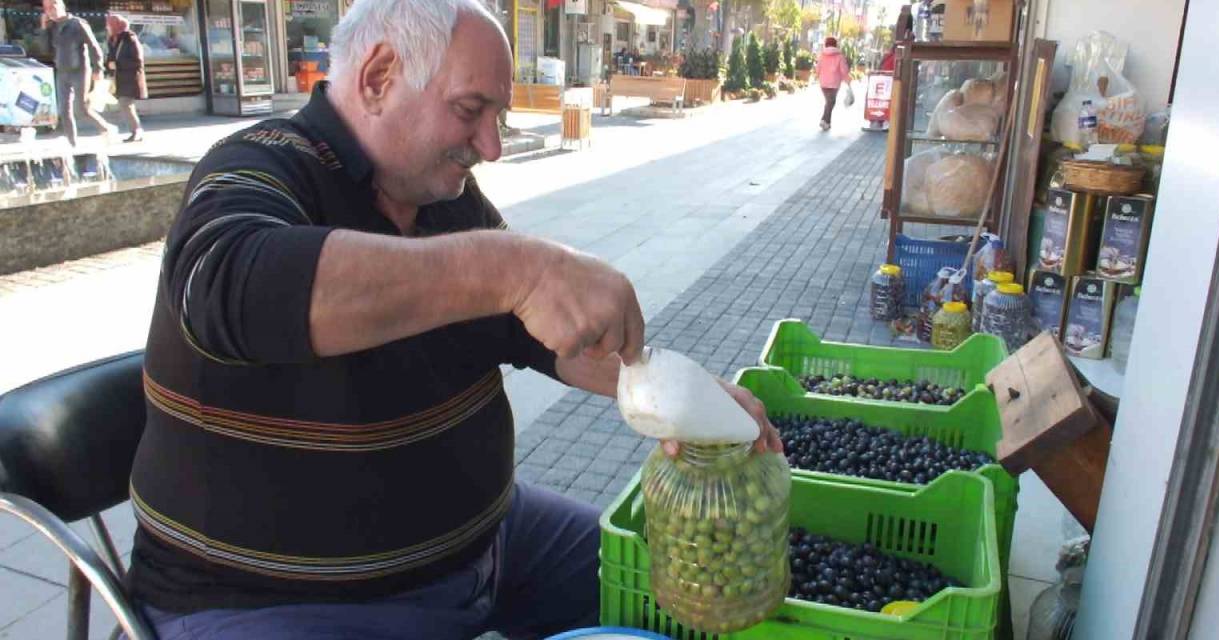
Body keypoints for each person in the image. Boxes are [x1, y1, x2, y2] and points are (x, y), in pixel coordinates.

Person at [128, 1, 782, 639]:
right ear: (378, 78)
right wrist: (514, 268)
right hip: (276, 603)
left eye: (498, 116)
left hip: (495, 543)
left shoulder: (440, 195)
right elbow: (226, 286)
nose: (491, 147)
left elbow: (531, 328)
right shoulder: (259, 162)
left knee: (689, 594)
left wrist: (680, 398)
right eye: (470, 111)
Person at [40, 0, 115, 146]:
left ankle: (106, 128)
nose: (50, 10)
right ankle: (72, 143)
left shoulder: (77, 24)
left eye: (53, 6)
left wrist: (98, 69)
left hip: (80, 70)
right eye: (47, 8)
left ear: (61, 5)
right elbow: (45, 49)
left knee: (81, 109)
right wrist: (44, 28)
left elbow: (94, 47)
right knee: (64, 110)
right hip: (62, 71)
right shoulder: (52, 27)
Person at [105, 14, 145, 142]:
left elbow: (138, 62)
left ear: (116, 25)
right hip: (120, 79)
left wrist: (118, 65)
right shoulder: (113, 39)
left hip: (130, 78)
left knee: (126, 104)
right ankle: (136, 131)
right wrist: (108, 65)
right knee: (126, 105)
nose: (107, 27)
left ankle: (136, 132)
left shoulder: (130, 39)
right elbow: (111, 57)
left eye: (109, 25)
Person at [815, 36, 850, 131]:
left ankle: (827, 123)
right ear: (835, 45)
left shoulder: (822, 55)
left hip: (823, 82)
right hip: (834, 83)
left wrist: (817, 76)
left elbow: (817, 68)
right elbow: (844, 71)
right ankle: (824, 120)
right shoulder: (840, 56)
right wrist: (848, 80)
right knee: (831, 102)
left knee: (829, 102)